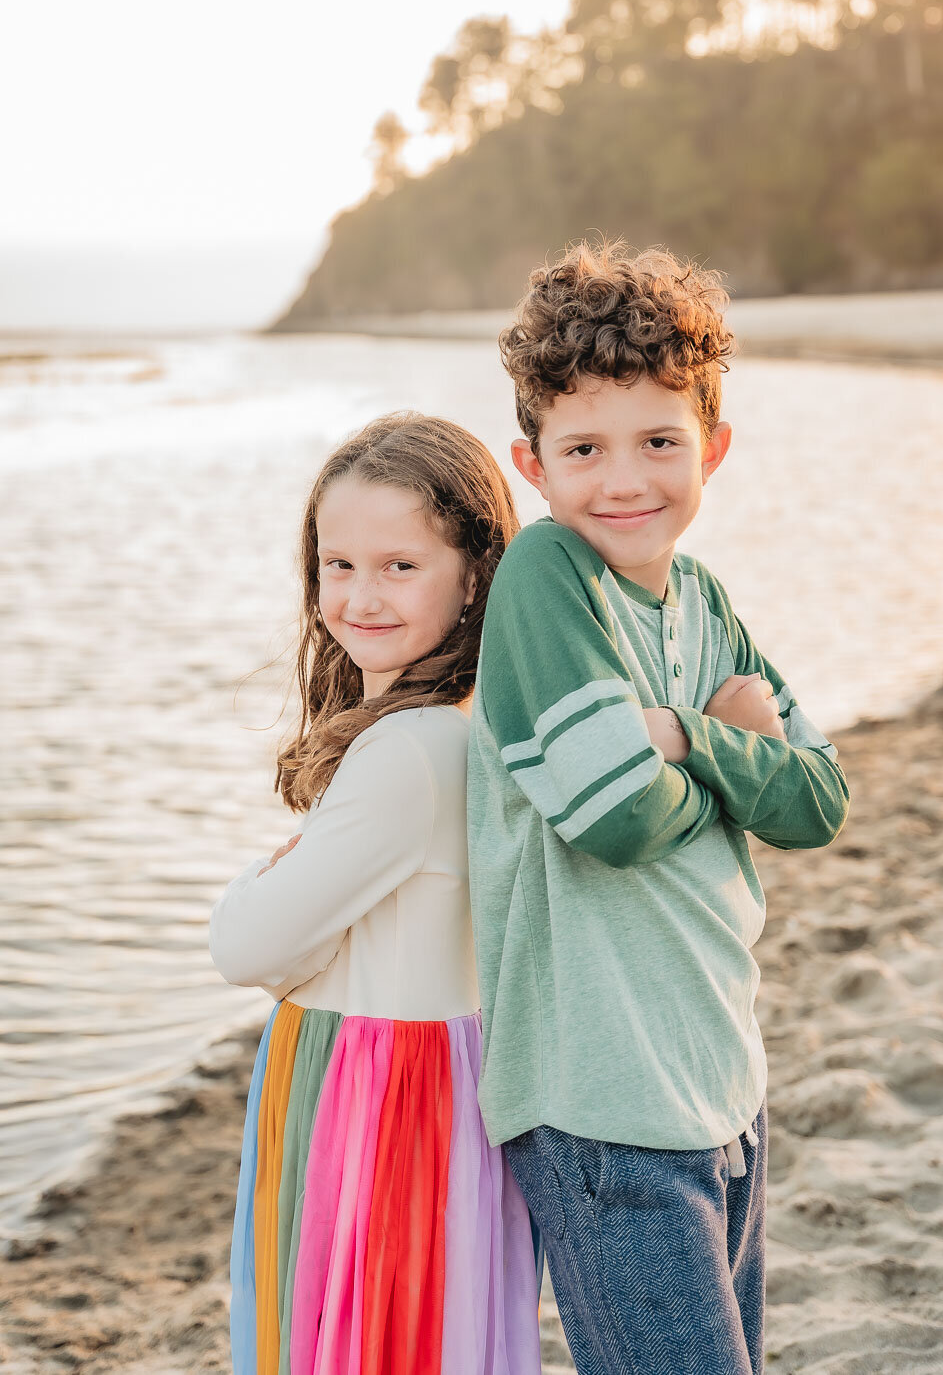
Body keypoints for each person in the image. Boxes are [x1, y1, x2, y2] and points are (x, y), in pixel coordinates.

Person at [467, 242, 850, 1375]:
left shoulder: (703, 600)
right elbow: (615, 819)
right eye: (583, 448)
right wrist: (738, 749)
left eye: (657, 442)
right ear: (532, 465)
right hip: (602, 1101)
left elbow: (818, 798)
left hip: (723, 1088)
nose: (623, 479)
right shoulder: (546, 579)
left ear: (711, 449)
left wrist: (685, 733)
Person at [210, 413, 542, 1375]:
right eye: (338, 564)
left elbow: (248, 948)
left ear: (475, 573)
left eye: (401, 565)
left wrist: (267, 876)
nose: (360, 597)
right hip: (439, 1073)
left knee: (362, 1340)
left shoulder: (406, 749)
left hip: (375, 1090)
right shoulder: (471, 719)